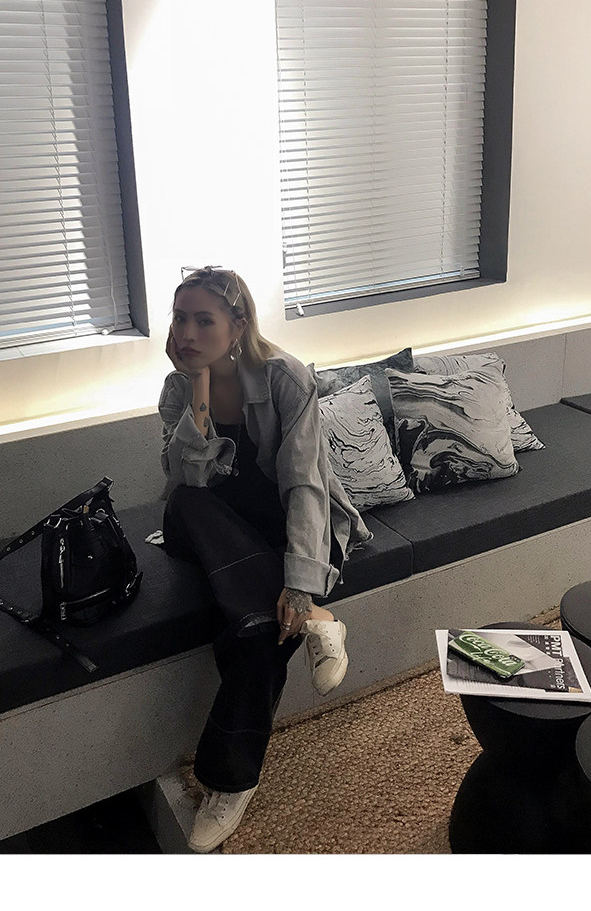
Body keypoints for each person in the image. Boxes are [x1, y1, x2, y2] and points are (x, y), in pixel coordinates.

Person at [158, 266, 372, 853]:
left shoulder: (285, 378)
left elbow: (305, 483)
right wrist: (198, 389)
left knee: (260, 631)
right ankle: (321, 623)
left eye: (204, 320)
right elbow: (186, 478)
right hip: (210, 529)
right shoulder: (177, 388)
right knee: (185, 502)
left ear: (238, 325)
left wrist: (299, 584)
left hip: (280, 527)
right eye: (181, 318)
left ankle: (230, 784)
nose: (188, 332)